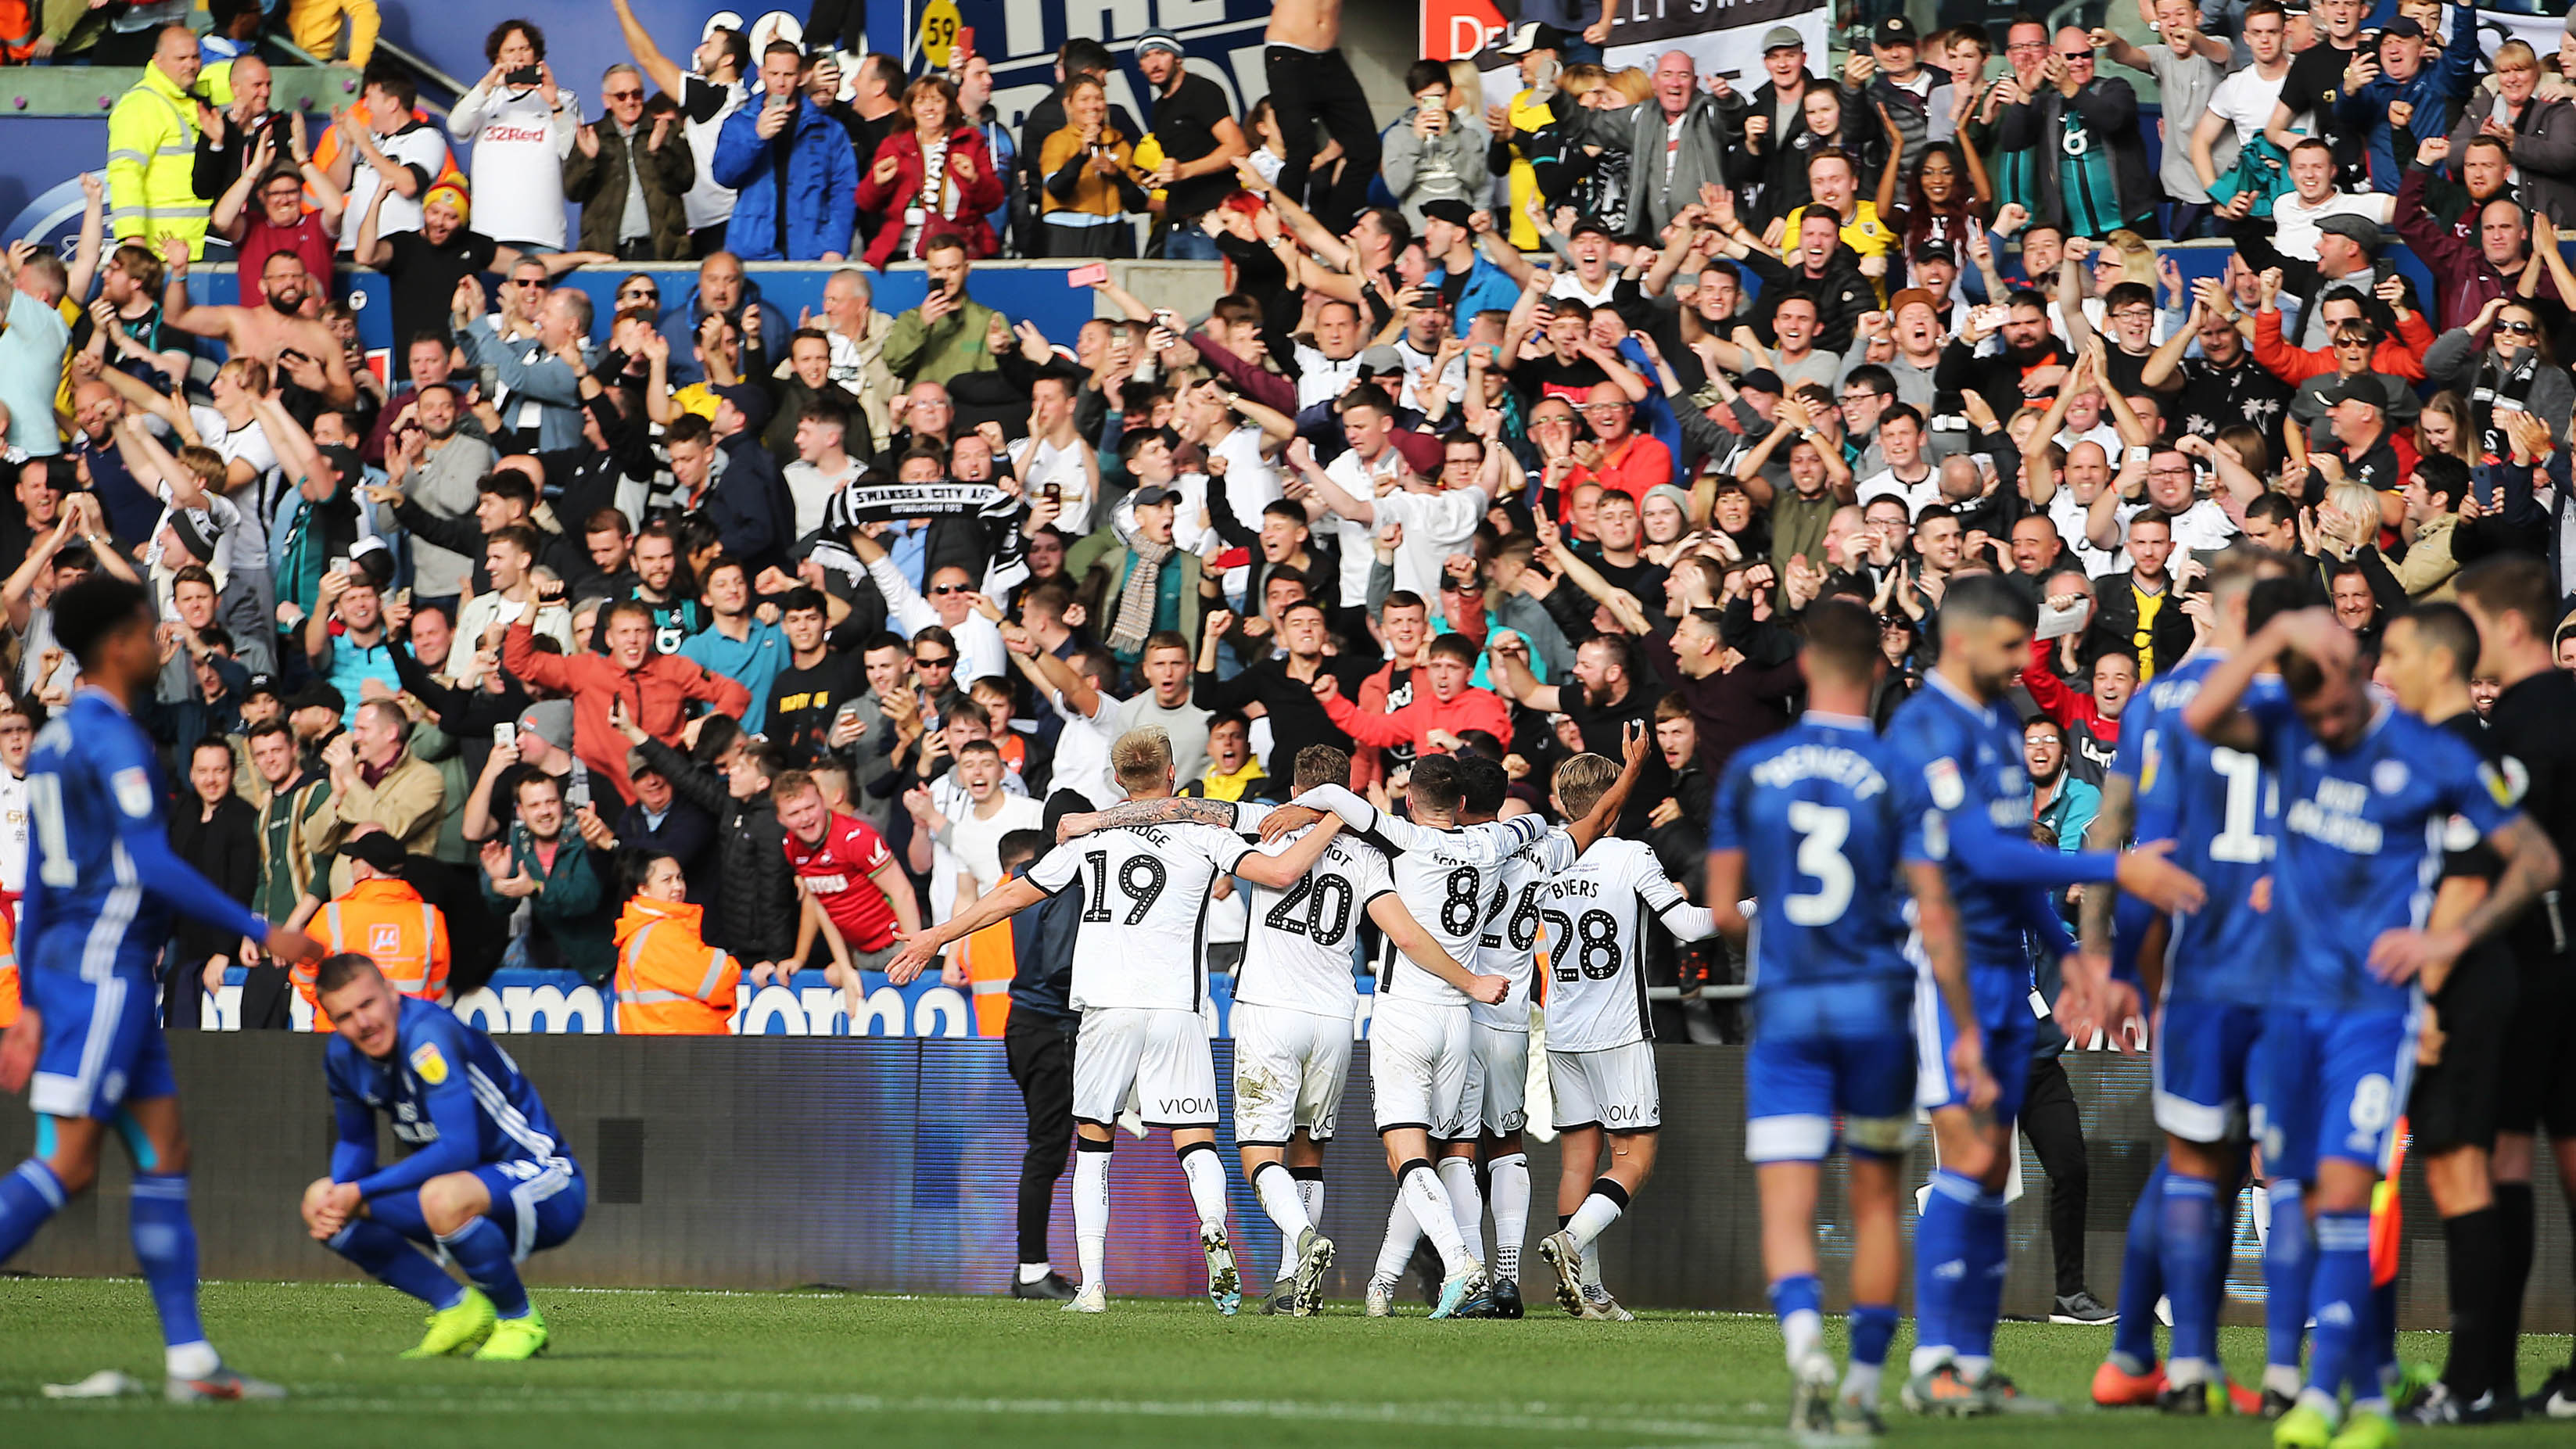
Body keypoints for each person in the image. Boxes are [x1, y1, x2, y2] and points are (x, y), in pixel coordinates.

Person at [2182, 604, 2560, 1449]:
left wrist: (2450, 934)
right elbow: (2204, 714)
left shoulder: (2433, 756)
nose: (2321, 721)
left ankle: (2328, 1396)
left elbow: (2537, 858)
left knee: (2349, 1192)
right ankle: (2373, 1384)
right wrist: (2271, 642)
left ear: (2361, 679)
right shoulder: (2288, 723)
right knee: (2306, 1198)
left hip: (2372, 1016)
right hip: (2288, 1010)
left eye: (2338, 696)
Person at [884, 727, 1355, 1314]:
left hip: (1107, 1010)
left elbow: (1008, 898)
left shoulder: (1089, 841)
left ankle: (1092, 1287)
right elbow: (1281, 872)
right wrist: (1343, 816)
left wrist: (935, 935)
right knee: (1198, 1142)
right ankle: (1220, 1223)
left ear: (1115, 780)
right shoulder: (1205, 835)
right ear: (1170, 778)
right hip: (1178, 1010)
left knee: (1093, 1147)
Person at [1884, 575, 2204, 1415]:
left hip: (2004, 968)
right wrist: (2112, 864)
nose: (2024, 657)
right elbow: (1984, 861)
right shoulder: (1927, 728)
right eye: (2011, 641)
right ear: (1963, 639)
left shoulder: (1996, 724)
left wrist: (2071, 953)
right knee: (1971, 1163)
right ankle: (1939, 1361)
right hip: (1949, 968)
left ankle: (1967, 1364)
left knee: (1989, 1170)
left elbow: (2015, 865)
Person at [0, 575, 318, 1400]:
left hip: (92, 975)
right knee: (67, 1167)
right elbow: (149, 864)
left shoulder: (55, 743)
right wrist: (259, 927)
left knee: (167, 1150)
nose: (160, 638)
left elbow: (37, 883)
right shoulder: (118, 743)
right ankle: (189, 1359)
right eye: (149, 627)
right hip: (104, 970)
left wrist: (31, 1002)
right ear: (117, 644)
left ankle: (189, 1361)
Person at [1710, 597, 1988, 1433]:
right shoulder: (1902, 770)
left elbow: (1723, 910)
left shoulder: (1753, 768)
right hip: (1877, 1008)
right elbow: (1936, 914)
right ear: (1878, 668)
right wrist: (1967, 1026)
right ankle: (1866, 1381)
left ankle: (1806, 1349)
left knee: (1789, 1203)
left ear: (1802, 667)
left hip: (1789, 1010)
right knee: (1876, 1200)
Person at [1236, 757, 1555, 1318]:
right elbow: (1540, 825)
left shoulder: (1395, 838)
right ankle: (1389, 1283)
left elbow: (1404, 931)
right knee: (1441, 1154)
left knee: (1404, 1155)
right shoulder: (1496, 841)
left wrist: (1306, 810)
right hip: (1456, 1020)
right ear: (1461, 806)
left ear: (1408, 798)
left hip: (1403, 1012)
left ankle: (1459, 1263)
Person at [303, 952, 583, 1361]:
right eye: (344, 1016)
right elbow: (356, 1143)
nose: (362, 1023)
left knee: (441, 1196)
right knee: (319, 1200)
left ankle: (519, 1319)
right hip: (466, 1190)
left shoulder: (427, 1036)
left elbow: (459, 1149)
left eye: (368, 1004)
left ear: (392, 994)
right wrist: (342, 1194)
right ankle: (458, 1308)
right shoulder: (343, 1057)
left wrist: (359, 1189)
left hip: (546, 1181)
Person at [2451, 554, 2576, 1422]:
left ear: (2510, 627)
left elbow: (2524, 859)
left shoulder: (2533, 720)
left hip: (2541, 967)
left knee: (2496, 1160)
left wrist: (2446, 937)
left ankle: (2483, 1377)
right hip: (2551, 962)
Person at [608, 0, 750, 258]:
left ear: (728, 59)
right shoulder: (734, 97)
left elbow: (647, 58)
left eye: (709, 46)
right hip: (716, 223)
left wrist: (621, 7)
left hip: (719, 228)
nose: (699, 50)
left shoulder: (711, 97)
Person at [711, 42, 856, 264]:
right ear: (761, 74)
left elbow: (844, 191)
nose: (780, 82)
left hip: (811, 251)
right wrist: (756, 137)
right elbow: (724, 176)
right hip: (753, 251)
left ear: (800, 77)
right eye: (774, 74)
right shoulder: (741, 122)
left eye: (788, 74)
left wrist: (835, 246)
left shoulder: (828, 129)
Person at [450, 20, 578, 256]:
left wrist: (553, 102)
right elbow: (457, 127)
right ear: (497, 59)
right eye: (510, 51)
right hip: (489, 234)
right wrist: (488, 83)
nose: (518, 57)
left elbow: (573, 150)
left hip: (543, 234)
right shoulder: (485, 99)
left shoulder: (564, 99)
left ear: (536, 53)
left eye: (525, 49)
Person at [300, 831, 448, 1032]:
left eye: (353, 861)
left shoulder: (331, 915)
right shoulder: (429, 917)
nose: (350, 867)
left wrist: (333, 1006)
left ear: (366, 870)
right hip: (407, 1032)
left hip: (342, 1034)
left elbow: (304, 974)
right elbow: (438, 985)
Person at [857, 76, 1004, 269]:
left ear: (949, 107)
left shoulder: (970, 142)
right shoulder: (893, 145)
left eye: (937, 100)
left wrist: (974, 179)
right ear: (911, 109)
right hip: (903, 251)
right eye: (921, 101)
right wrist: (878, 184)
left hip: (960, 252)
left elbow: (994, 200)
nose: (929, 108)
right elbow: (865, 202)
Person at [1263, 0, 1378, 233]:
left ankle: (1332, 233)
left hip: (1330, 58)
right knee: (1301, 152)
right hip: (1288, 54)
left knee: (1367, 150)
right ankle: (1282, 232)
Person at [565, 63, 697, 263]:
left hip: (663, 252)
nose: (630, 101)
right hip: (607, 254)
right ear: (607, 101)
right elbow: (572, 191)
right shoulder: (591, 135)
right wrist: (589, 159)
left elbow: (686, 180)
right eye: (621, 96)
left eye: (636, 94)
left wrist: (658, 151)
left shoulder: (664, 131)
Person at [1135, 29, 1249, 259]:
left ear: (1178, 58)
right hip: (1177, 226)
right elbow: (1182, 157)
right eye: (1146, 57)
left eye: (1161, 53)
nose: (1154, 63)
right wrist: (1159, 178)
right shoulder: (1159, 107)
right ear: (1140, 67)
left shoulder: (1201, 91)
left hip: (1210, 224)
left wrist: (1184, 171)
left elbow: (1238, 148)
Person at [106, 28, 209, 260]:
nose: (190, 65)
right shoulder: (141, 103)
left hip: (201, 244)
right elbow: (125, 174)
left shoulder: (198, 99)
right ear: (158, 61)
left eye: (195, 57)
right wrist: (133, 239)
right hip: (161, 251)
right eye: (181, 59)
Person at [611, 853, 738, 1035]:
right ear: (643, 889)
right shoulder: (660, 933)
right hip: (681, 1048)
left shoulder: (640, 929)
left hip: (660, 1046)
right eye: (667, 880)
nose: (677, 886)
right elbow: (721, 980)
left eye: (680, 878)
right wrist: (730, 965)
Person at [1032, 76, 1149, 259]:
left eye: (1099, 98)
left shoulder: (1119, 142)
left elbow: (1138, 203)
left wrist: (1116, 174)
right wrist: (1082, 154)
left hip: (1112, 235)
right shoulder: (1057, 141)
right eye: (1084, 99)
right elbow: (1056, 189)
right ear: (1068, 105)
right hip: (1067, 236)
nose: (1093, 106)